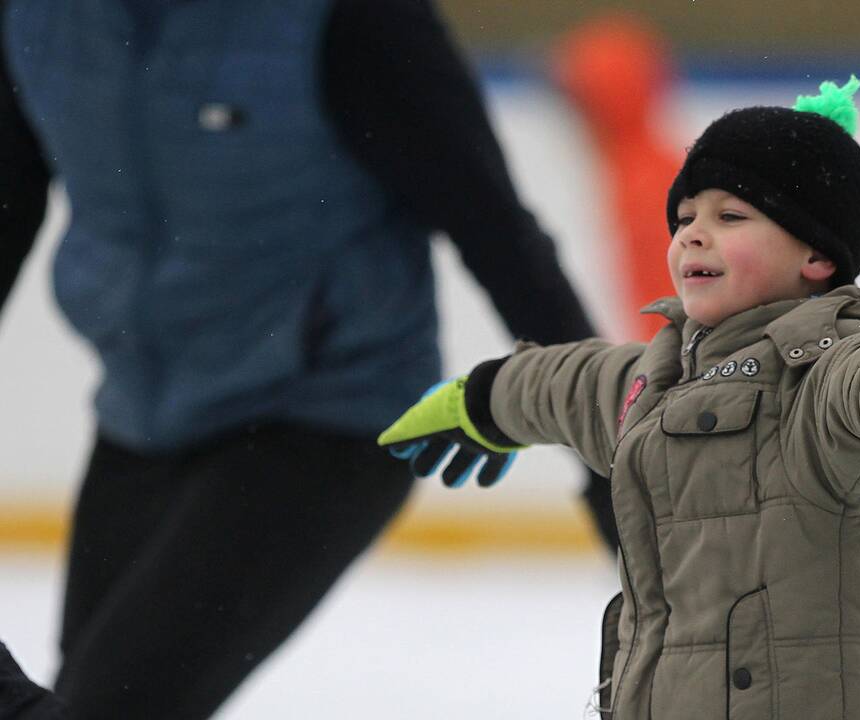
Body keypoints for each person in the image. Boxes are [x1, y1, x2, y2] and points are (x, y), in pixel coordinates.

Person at [0, 0, 618, 717]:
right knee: (86, 698)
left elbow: (495, 230)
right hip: (144, 415)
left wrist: (609, 459)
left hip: (327, 417)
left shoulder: (346, 17)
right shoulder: (41, 18)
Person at [378, 77, 860, 719]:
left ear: (816, 255)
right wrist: (486, 399)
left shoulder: (821, 367)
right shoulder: (659, 377)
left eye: (730, 217)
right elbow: (572, 383)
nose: (692, 233)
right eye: (685, 217)